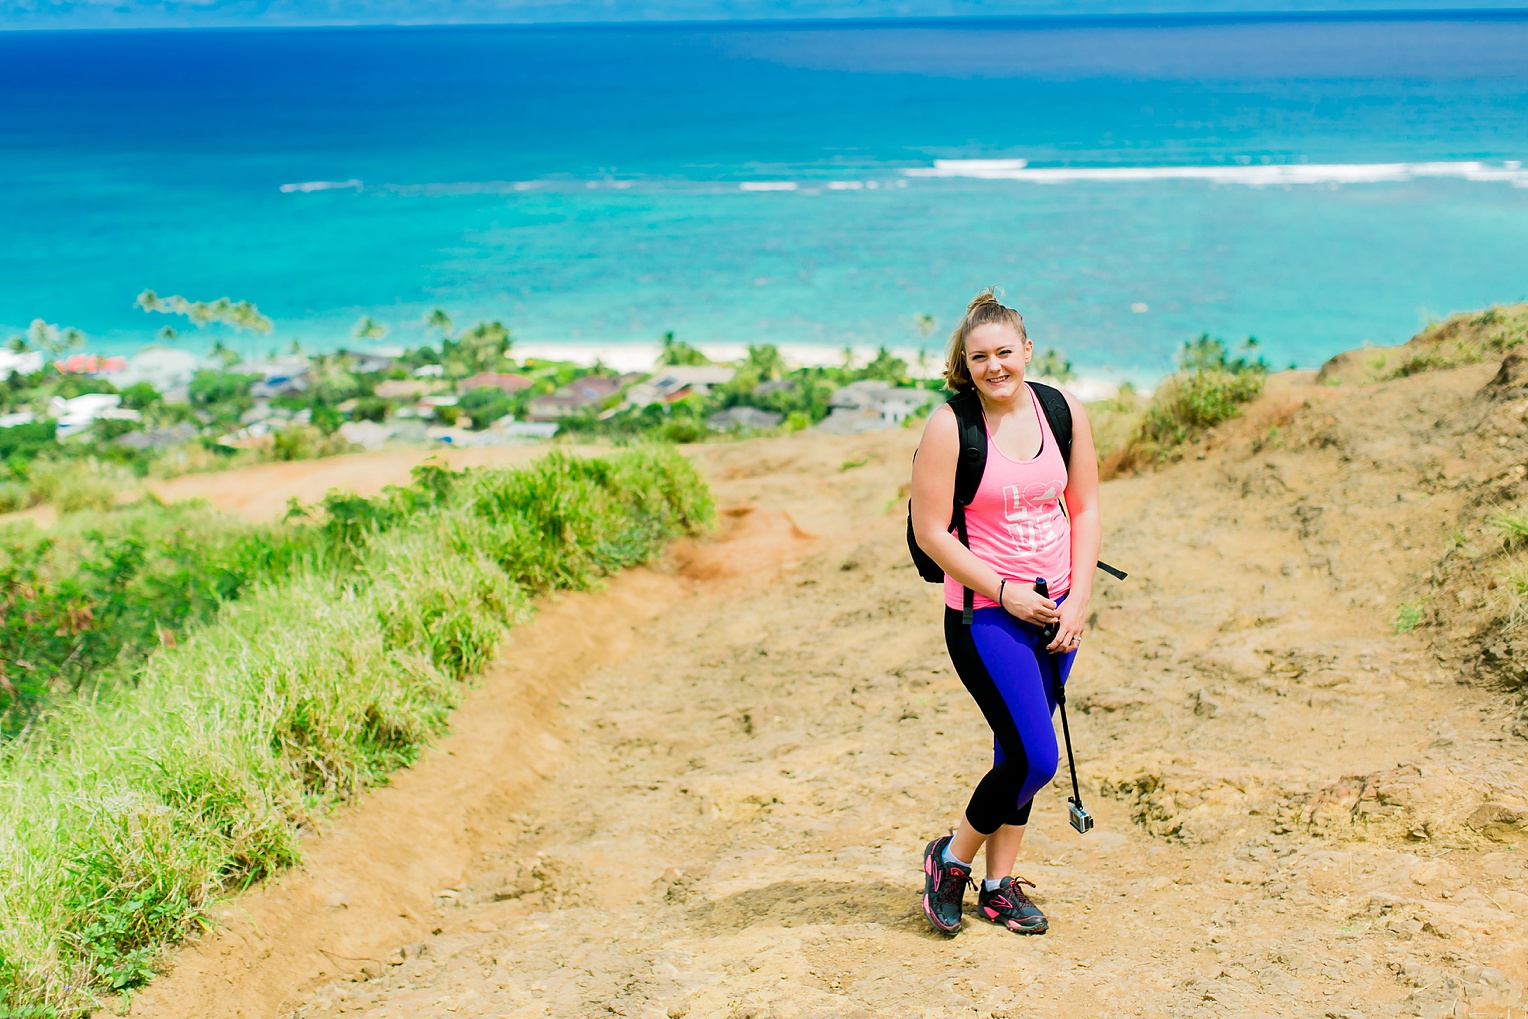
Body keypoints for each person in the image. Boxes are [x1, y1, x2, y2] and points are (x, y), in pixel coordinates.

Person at [909, 289, 1102, 936]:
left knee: (1012, 748)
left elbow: (1086, 506)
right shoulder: (950, 426)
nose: (995, 366)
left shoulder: (1060, 408)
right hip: (982, 615)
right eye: (979, 357)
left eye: (1004, 352)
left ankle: (997, 885)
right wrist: (1003, 589)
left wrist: (1078, 599)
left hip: (1055, 613)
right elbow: (933, 532)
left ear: (1027, 351)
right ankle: (951, 858)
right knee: (1034, 756)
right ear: (965, 363)